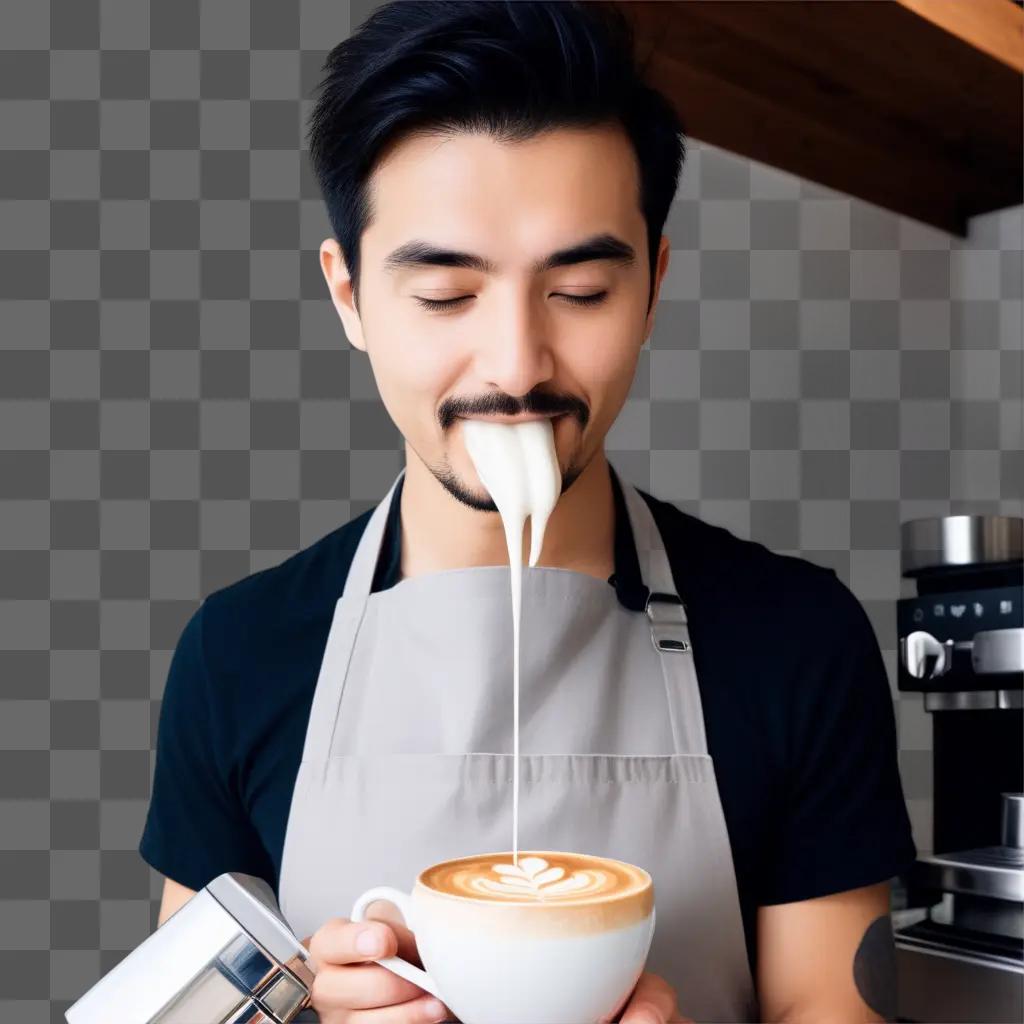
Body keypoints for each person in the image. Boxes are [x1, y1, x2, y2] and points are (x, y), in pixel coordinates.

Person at [139, 2, 917, 1021]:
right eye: (445, 295)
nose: (515, 366)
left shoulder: (795, 639)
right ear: (348, 295)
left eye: (582, 289)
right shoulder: (237, 656)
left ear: (651, 287)